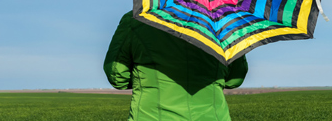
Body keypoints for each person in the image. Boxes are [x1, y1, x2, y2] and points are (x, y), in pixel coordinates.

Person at [104, 11, 248, 121]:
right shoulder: (224, 24)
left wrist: (144, 80)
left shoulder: (136, 19)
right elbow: (235, 78)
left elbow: (117, 75)